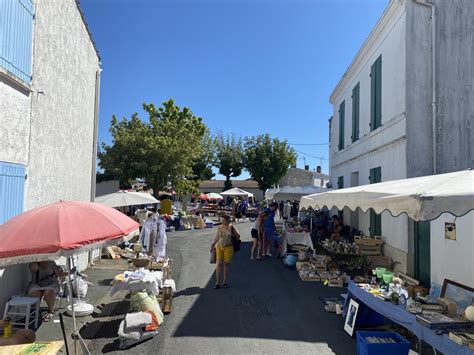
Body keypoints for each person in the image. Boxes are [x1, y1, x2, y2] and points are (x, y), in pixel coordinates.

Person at [210, 214, 240, 289]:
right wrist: (213, 244)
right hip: (219, 247)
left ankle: (225, 282)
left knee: (226, 265)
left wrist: (233, 238)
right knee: (219, 264)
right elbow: (217, 236)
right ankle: (217, 283)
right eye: (221, 220)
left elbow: (238, 236)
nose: (222, 221)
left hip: (229, 247)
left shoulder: (231, 227)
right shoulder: (220, 227)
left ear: (227, 220)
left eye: (223, 220)